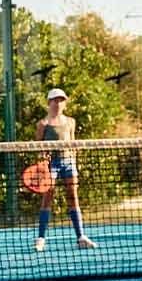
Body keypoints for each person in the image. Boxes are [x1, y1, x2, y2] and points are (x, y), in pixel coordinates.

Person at [33, 87, 97, 252]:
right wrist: (43, 160)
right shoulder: (42, 124)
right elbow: (37, 147)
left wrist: (75, 162)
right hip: (51, 165)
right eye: (55, 100)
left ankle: (81, 237)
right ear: (49, 102)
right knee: (48, 198)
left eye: (61, 100)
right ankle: (40, 238)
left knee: (73, 196)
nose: (58, 103)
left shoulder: (70, 122)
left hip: (68, 162)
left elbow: (73, 143)